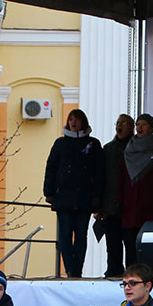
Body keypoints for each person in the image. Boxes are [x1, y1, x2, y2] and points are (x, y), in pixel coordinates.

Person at [44, 109, 103, 278]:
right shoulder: (60, 144)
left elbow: (99, 172)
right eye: (71, 119)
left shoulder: (93, 144)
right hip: (63, 197)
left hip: (84, 198)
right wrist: (49, 192)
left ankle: (77, 270)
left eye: (76, 119)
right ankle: (70, 269)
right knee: (64, 234)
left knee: (81, 235)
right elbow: (51, 168)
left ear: (83, 122)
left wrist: (97, 195)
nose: (73, 122)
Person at [120, 113, 153, 266]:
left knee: (147, 247)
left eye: (144, 124)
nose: (140, 127)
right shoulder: (128, 150)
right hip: (129, 208)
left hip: (149, 208)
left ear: (152, 128)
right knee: (130, 247)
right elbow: (120, 179)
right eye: (138, 124)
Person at [95, 113, 135, 277]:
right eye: (117, 123)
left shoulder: (136, 147)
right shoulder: (108, 149)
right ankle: (113, 272)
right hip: (111, 204)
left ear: (131, 127)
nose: (119, 126)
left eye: (123, 123)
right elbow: (100, 178)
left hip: (130, 204)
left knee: (130, 243)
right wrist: (99, 205)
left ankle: (132, 273)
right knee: (112, 242)